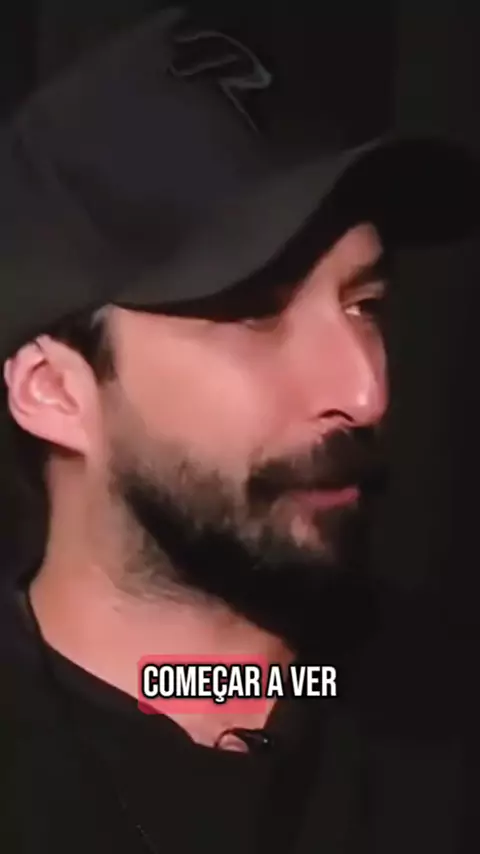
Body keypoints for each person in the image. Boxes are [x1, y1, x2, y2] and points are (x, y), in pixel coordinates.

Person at [0, 9, 478, 854]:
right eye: (257, 315)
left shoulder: (441, 717)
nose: (365, 392)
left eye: (364, 303)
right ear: (54, 392)